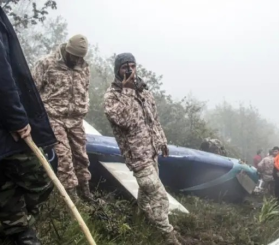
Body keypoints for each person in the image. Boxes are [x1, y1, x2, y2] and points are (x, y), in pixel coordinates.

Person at [103, 53, 181, 245]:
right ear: (117, 70)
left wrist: (161, 141)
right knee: (159, 196)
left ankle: (139, 227)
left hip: (151, 151)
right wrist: (127, 91)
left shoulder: (145, 92)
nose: (130, 70)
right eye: (124, 67)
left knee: (146, 196)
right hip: (137, 157)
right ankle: (168, 236)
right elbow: (124, 121)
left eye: (132, 65)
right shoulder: (112, 96)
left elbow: (154, 120)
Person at [0, 6, 57, 244]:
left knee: (5, 182)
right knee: (41, 177)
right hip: (8, 128)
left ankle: (16, 229)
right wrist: (17, 119)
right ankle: (17, 228)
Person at [32, 35, 95, 202]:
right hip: (53, 118)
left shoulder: (84, 67)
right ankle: (71, 199)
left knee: (81, 157)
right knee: (63, 158)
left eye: (80, 57)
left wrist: (83, 107)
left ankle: (85, 192)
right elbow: (32, 91)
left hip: (75, 120)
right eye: (74, 56)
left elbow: (85, 89)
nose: (76, 60)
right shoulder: (46, 64)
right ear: (67, 50)